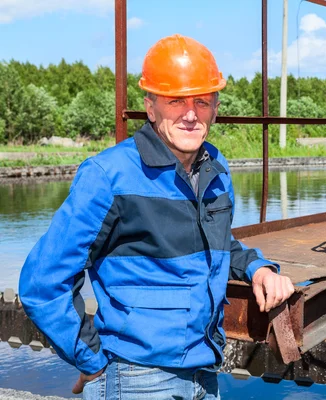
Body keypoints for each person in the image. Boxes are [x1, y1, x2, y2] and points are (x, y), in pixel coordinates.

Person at [19, 34, 295, 400]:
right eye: (175, 101)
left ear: (215, 107)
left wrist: (256, 267)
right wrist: (91, 361)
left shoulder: (215, 168)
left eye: (202, 100)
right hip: (137, 378)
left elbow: (214, 243)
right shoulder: (108, 177)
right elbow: (42, 282)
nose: (191, 114)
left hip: (204, 372)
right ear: (151, 108)